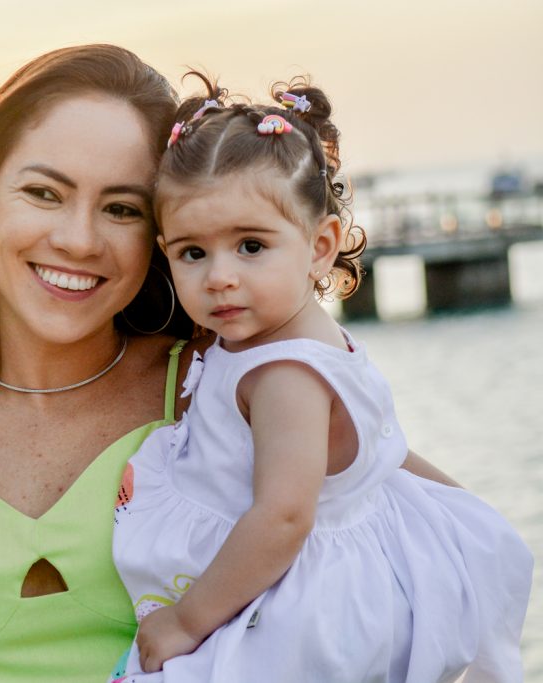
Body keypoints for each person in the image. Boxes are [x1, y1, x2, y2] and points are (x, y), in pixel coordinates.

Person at [0, 45, 460, 683]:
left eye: (121, 208)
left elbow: (431, 535)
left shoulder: (219, 388)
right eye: (44, 192)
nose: (78, 239)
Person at [109, 75, 533, 683]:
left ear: (321, 245)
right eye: (192, 253)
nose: (220, 276)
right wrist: (467, 508)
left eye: (250, 245)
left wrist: (186, 621)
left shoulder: (283, 373)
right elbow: (386, 454)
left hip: (297, 604)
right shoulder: (290, 338)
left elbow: (283, 516)